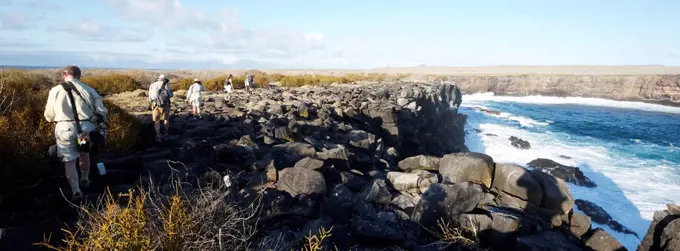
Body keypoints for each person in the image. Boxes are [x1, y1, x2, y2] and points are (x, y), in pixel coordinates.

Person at [44, 65, 108, 200]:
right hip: (85, 129)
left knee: (69, 160)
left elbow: (49, 115)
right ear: (80, 75)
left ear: (64, 74)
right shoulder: (89, 90)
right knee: (84, 154)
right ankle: (85, 179)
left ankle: (76, 191)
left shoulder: (55, 91)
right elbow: (102, 111)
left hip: (64, 129)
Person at [148, 74, 173, 141]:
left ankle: (158, 135)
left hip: (154, 104)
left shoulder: (152, 85)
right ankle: (166, 134)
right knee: (166, 119)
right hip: (165, 105)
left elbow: (149, 97)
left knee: (157, 120)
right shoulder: (166, 85)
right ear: (165, 79)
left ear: (159, 78)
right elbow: (170, 95)